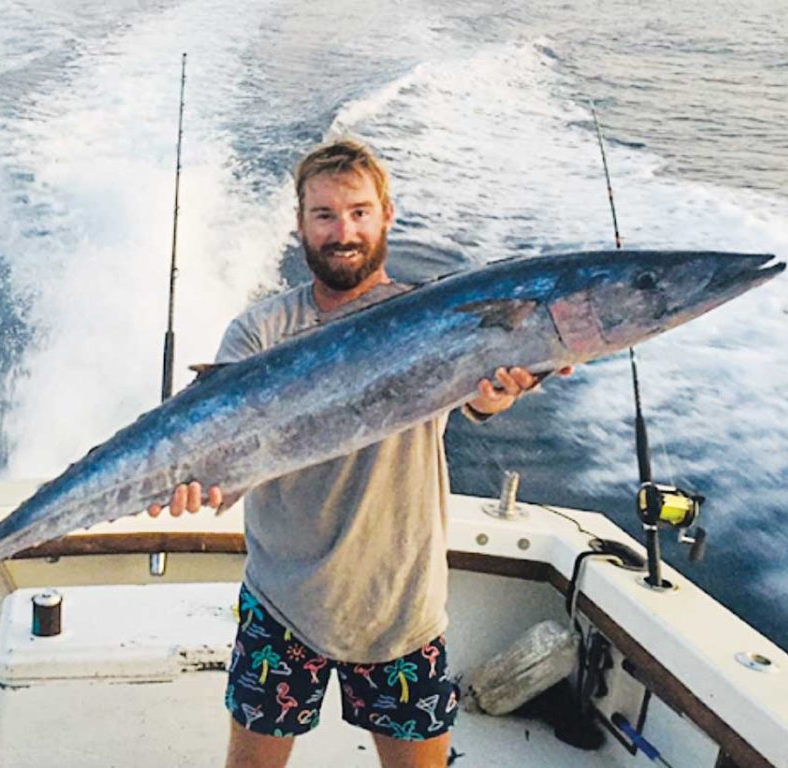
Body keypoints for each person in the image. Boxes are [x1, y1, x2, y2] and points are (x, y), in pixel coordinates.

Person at [148, 139, 569, 768]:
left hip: (401, 605)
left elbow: (478, 398)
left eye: (359, 212)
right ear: (300, 224)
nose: (343, 232)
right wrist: (195, 478)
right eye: (324, 215)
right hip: (283, 602)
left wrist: (494, 399)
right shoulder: (261, 330)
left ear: (386, 215)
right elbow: (219, 441)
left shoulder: (442, 316)